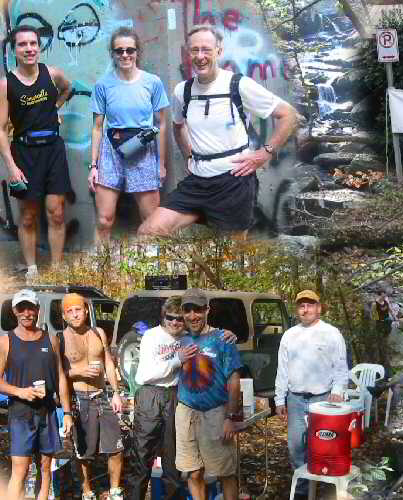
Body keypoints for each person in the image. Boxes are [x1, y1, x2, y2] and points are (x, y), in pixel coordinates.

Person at [137, 24, 298, 238]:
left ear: (218, 51)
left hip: (234, 182)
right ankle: (179, 273)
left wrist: (265, 153)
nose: (200, 56)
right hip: (197, 182)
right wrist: (189, 157)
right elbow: (178, 126)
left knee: (231, 255)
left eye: (206, 49)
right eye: (195, 50)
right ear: (188, 53)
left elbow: (289, 114)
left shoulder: (238, 85)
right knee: (149, 232)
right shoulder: (182, 91)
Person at [127, 296, 238, 500]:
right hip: (150, 395)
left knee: (173, 462)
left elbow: (211, 338)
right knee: (142, 457)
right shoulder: (152, 336)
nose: (175, 322)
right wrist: (177, 360)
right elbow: (144, 375)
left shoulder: (187, 337)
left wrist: (229, 334)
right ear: (163, 317)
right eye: (171, 318)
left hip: (175, 397)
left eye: (180, 318)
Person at [0, 25, 73, 280]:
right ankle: (31, 268)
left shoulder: (52, 74)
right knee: (29, 216)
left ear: (39, 47)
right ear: (14, 50)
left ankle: (57, 268)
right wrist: (11, 167)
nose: (29, 49)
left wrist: (56, 109)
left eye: (33, 43)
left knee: (57, 211)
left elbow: (67, 89)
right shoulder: (6, 84)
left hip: (53, 149)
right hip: (24, 153)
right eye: (22, 44)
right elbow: (0, 130)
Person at [88, 27, 170, 245]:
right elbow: (97, 127)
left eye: (129, 50)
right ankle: (101, 272)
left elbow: (162, 124)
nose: (125, 55)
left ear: (137, 52)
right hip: (111, 154)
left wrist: (161, 164)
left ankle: (151, 270)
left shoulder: (152, 83)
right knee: (104, 220)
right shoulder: (102, 85)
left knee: (151, 222)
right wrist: (93, 166)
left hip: (143, 153)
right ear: (113, 54)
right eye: (119, 51)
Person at [275, 290, 348, 499]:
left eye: (310, 305)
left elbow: (341, 367)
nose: (305, 309)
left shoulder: (331, 333)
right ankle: (303, 492)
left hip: (323, 399)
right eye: (301, 306)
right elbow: (282, 369)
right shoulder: (290, 335)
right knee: (296, 448)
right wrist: (279, 399)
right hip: (296, 399)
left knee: (325, 448)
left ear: (318, 307)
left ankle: (326, 490)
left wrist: (337, 392)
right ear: (297, 309)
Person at [0, 289, 73, 500]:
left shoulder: (51, 340)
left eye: (30, 308)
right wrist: (19, 391)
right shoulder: (7, 341)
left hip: (47, 411)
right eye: (21, 308)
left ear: (38, 310)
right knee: (20, 470)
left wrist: (66, 412)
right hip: (21, 413)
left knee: (45, 466)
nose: (26, 313)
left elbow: (60, 377)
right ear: (14, 311)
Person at [176, 288, 246, 500]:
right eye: (187, 310)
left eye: (197, 310)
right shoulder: (180, 339)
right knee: (193, 471)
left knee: (225, 473)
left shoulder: (223, 339)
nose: (192, 316)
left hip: (215, 414)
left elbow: (234, 380)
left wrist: (230, 418)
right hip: (186, 414)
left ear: (207, 309)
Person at [59, 293, 125, 500]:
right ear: (64, 315)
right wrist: (79, 372)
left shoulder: (99, 333)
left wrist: (115, 393)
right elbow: (58, 374)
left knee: (116, 448)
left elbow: (108, 363)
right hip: (79, 398)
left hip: (102, 396)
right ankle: (87, 492)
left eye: (78, 309)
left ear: (86, 311)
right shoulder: (60, 339)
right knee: (84, 453)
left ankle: (115, 491)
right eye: (69, 311)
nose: (74, 314)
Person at [370, 288, 397, 367]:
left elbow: (390, 310)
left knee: (387, 336)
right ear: (380, 294)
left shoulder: (386, 301)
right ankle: (382, 355)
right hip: (380, 323)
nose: (385, 295)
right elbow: (372, 314)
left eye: (385, 293)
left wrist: (395, 318)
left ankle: (387, 350)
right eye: (384, 293)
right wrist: (375, 321)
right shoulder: (375, 304)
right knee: (381, 339)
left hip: (387, 321)